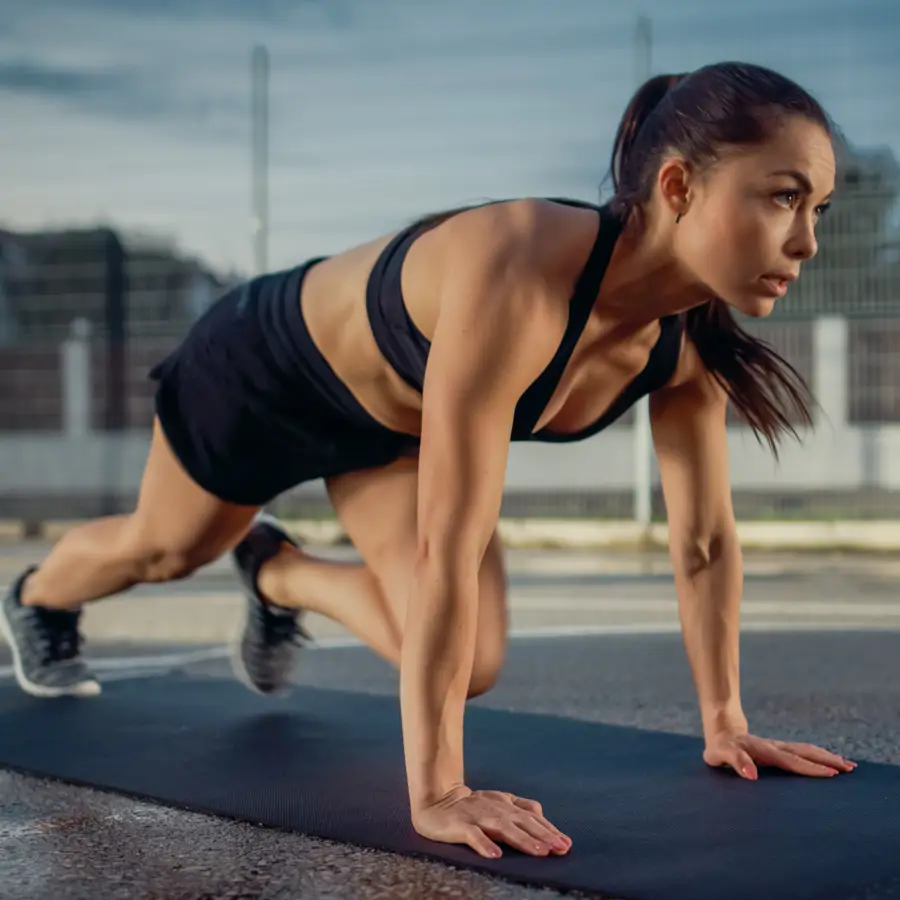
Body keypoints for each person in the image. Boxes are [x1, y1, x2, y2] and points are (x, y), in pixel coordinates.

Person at [1, 60, 858, 860]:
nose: (807, 241)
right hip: (264, 374)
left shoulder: (682, 352)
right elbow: (447, 543)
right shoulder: (517, 269)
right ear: (678, 185)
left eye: (817, 208)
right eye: (784, 198)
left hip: (390, 431)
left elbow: (703, 543)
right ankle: (36, 598)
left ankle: (276, 573)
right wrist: (439, 789)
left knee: (470, 665)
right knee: (166, 549)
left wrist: (726, 720)